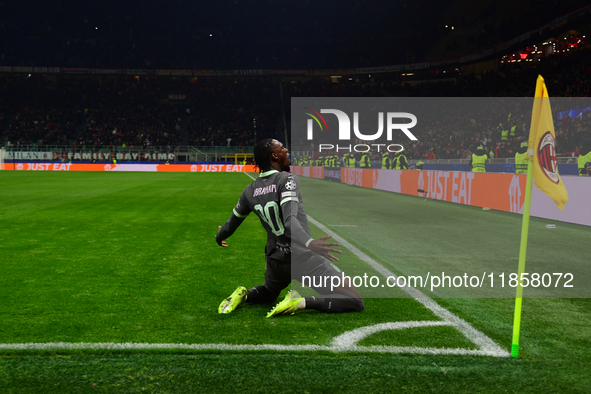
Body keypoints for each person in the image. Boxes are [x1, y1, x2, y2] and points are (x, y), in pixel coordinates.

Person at [216, 139, 364, 317]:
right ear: (275, 155)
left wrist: (219, 236)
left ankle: (244, 296)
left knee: (269, 292)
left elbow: (230, 225)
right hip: (303, 259)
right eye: (282, 148)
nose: (287, 150)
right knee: (355, 301)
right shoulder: (287, 180)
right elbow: (289, 220)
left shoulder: (249, 190)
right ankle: (300, 302)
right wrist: (310, 243)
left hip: (276, 261)